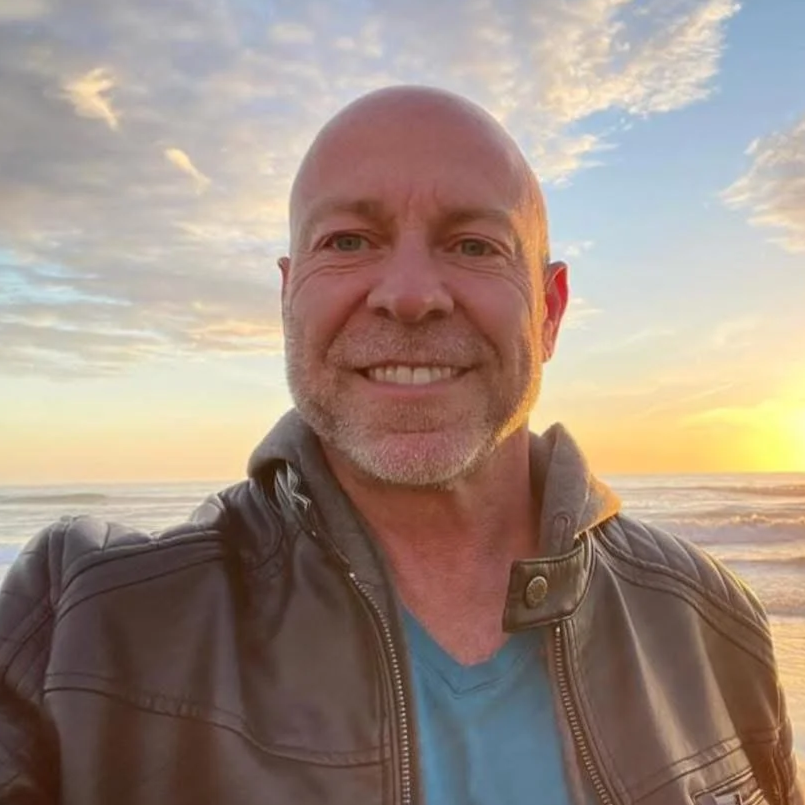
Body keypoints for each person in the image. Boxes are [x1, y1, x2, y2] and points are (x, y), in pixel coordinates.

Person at [0, 86, 800, 805]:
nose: (410, 294)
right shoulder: (82, 624)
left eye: (474, 244)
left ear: (549, 311)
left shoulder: (708, 622)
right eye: (348, 241)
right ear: (289, 298)